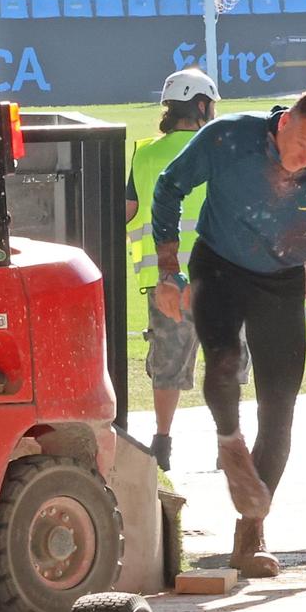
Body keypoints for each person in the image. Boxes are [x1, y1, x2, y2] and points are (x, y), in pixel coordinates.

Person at [149, 88, 306, 579]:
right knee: (223, 361)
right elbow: (168, 186)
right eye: (300, 146)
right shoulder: (229, 137)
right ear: (285, 121)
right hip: (218, 266)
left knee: (280, 405)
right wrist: (168, 270)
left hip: (282, 280)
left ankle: (251, 531)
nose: (303, 162)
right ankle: (229, 441)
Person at [123, 67, 220, 472]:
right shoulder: (217, 150)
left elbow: (126, 212)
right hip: (220, 278)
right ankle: (226, 444)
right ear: (200, 106)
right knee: (225, 362)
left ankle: (161, 442)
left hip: (164, 285)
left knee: (166, 367)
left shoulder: (144, 153)